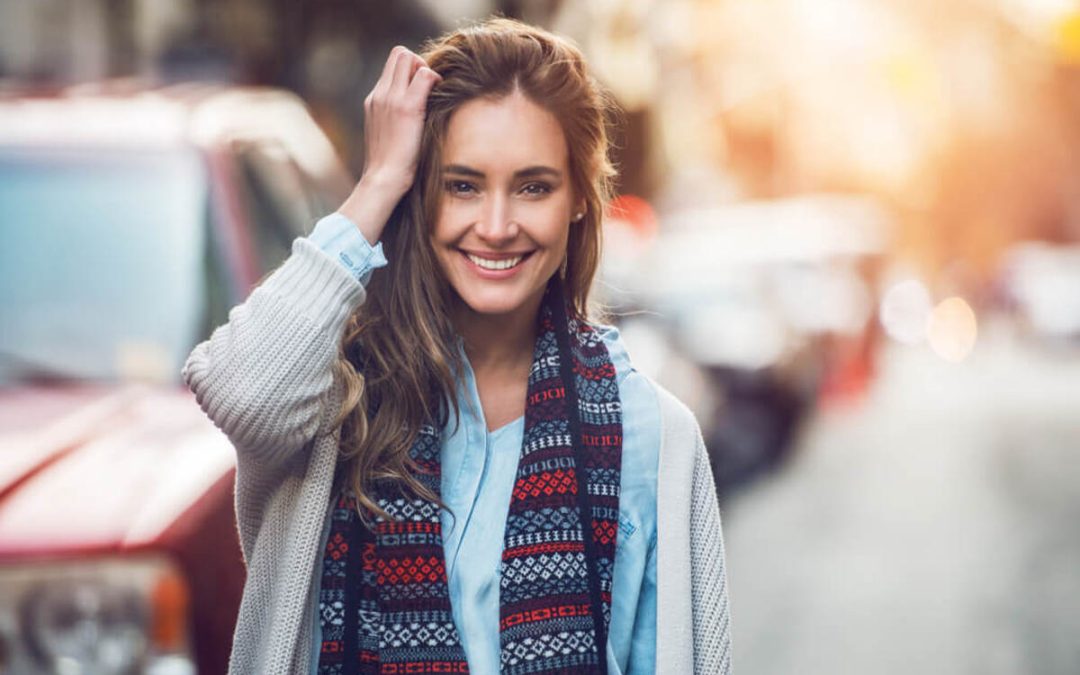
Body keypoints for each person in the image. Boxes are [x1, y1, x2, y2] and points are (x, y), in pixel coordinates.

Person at [182, 17, 731, 675]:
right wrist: (380, 178)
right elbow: (239, 390)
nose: (496, 226)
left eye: (533, 186)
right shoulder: (331, 407)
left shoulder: (652, 434)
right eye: (462, 184)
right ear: (422, 190)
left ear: (579, 199)